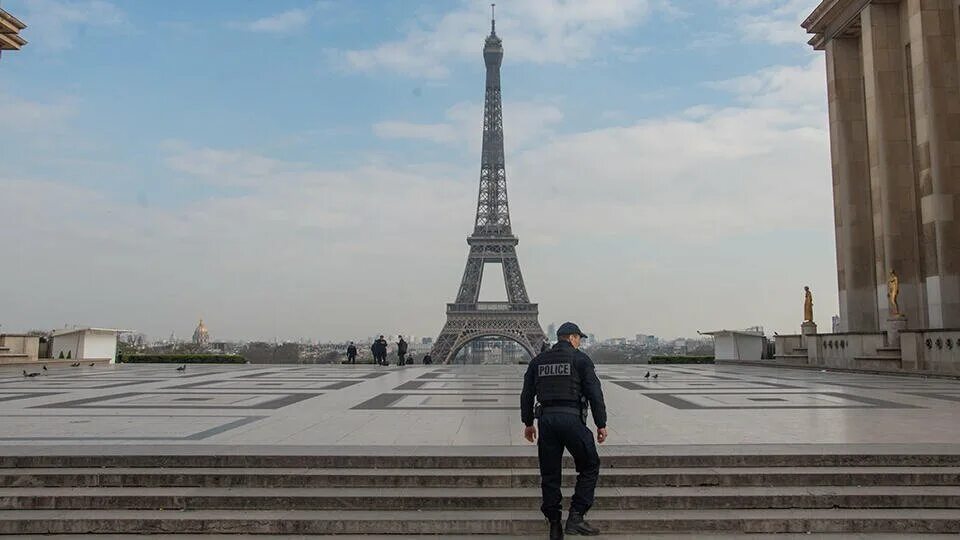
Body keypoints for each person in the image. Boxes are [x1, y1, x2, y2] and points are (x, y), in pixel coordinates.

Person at [521, 322, 607, 538]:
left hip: (547, 421)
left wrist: (528, 423)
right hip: (572, 420)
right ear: (571, 338)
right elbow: (595, 393)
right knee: (590, 465)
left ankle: (554, 524)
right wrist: (601, 424)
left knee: (550, 474)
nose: (580, 342)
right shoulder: (580, 359)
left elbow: (526, 394)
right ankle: (576, 515)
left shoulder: (538, 361)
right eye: (579, 338)